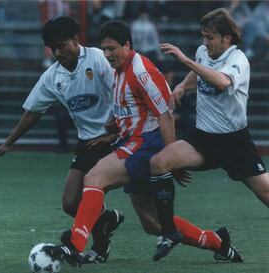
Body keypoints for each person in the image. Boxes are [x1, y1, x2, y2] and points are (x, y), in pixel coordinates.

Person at [43, 20, 243, 267]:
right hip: (132, 141)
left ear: (127, 45)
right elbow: (135, 110)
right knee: (153, 224)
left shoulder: (141, 70)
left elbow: (165, 114)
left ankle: (75, 245)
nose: (107, 55)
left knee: (95, 177)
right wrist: (112, 131)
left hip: (148, 143)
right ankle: (218, 242)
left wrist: (171, 159)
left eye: (112, 49)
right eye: (104, 49)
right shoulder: (119, 70)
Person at [0, 16, 124, 264]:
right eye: (53, 48)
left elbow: (122, 91)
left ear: (75, 40)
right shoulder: (52, 76)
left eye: (62, 46)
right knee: (70, 203)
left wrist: (114, 131)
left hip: (116, 137)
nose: (58, 53)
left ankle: (98, 247)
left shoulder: (97, 59)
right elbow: (33, 112)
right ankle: (107, 220)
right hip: (87, 142)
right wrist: (8, 143)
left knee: (103, 195)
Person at [150, 7, 269, 255]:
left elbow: (222, 81)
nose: (205, 42)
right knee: (159, 162)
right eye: (203, 36)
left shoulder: (238, 60)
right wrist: (183, 86)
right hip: (202, 139)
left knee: (265, 193)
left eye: (210, 37)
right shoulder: (203, 52)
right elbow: (198, 71)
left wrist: (184, 60)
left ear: (227, 38)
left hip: (234, 143)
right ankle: (169, 232)